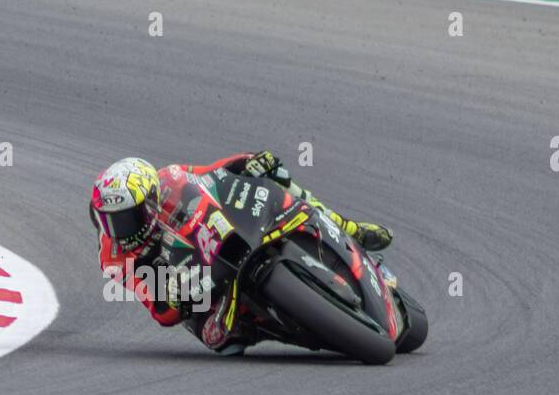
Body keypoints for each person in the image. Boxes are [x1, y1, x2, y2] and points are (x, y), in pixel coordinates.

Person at [89, 151, 392, 353]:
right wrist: (172, 295)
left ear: (152, 199)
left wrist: (248, 160)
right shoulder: (113, 257)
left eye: (128, 217)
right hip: (195, 288)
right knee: (219, 340)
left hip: (227, 233)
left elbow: (215, 173)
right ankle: (280, 327)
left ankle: (348, 227)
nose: (120, 229)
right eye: (110, 221)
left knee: (275, 174)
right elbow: (159, 310)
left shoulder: (171, 179)